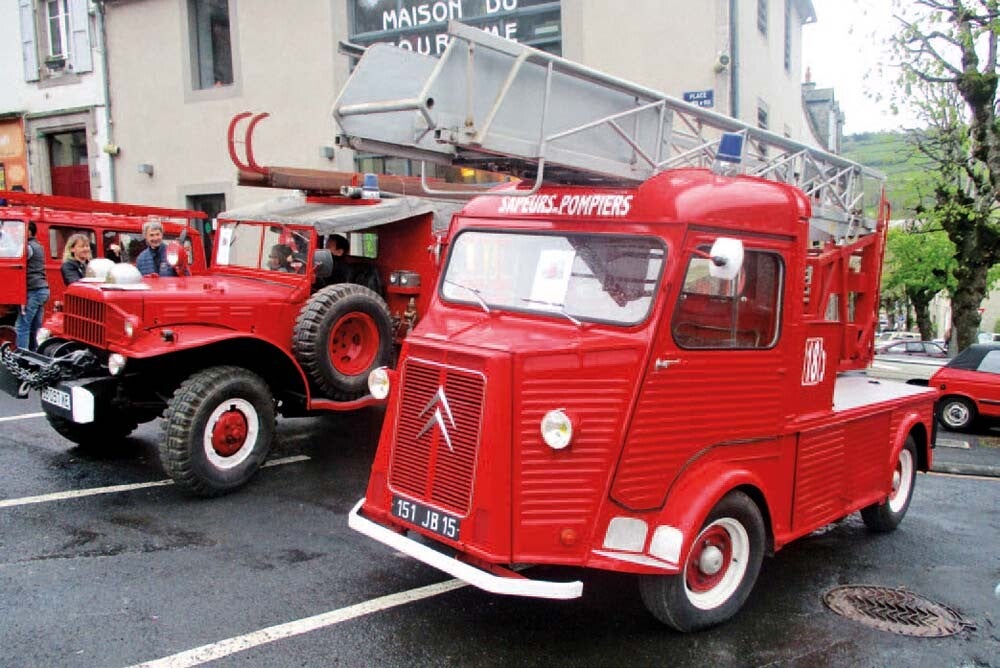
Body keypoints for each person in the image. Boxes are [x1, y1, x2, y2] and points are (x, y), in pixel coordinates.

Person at [14, 221, 49, 351]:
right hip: (42, 289)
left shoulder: (27, 248)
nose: (18, 232)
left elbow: (17, 262)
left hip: (33, 290)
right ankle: (35, 353)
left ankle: (21, 356)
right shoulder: (38, 246)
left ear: (29, 231)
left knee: (22, 326)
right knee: (35, 327)